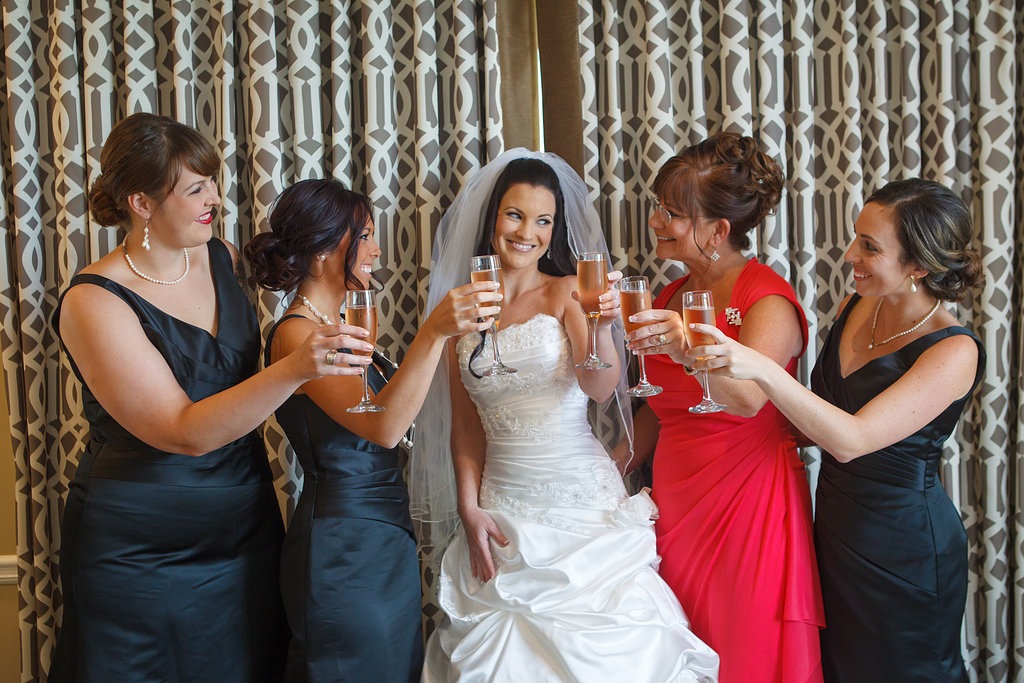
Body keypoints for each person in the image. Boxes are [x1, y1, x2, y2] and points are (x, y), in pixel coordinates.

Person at [49, 113, 372, 682]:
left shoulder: (218, 254)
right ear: (141, 203)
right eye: (196, 188)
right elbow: (184, 430)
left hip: (244, 525)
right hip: (139, 550)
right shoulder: (93, 301)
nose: (216, 199)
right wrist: (296, 368)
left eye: (213, 183)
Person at [413, 149, 719, 682]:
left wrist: (602, 328)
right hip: (503, 508)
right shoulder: (462, 312)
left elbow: (600, 387)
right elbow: (466, 424)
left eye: (543, 220)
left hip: (580, 505)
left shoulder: (566, 291)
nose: (527, 231)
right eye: (515, 215)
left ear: (555, 230)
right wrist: (469, 506)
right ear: (493, 221)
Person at [688, 178, 985, 682]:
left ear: (918, 265)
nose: (849, 255)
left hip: (904, 550)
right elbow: (818, 417)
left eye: (870, 247)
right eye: (855, 237)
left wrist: (758, 366)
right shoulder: (861, 305)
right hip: (835, 529)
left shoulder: (954, 350)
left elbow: (849, 440)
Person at [244, 178, 497, 682]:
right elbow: (383, 426)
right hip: (342, 544)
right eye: (364, 237)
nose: (378, 250)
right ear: (320, 253)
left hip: (382, 534)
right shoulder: (297, 334)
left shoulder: (346, 320)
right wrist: (434, 331)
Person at [624, 131, 824, 682]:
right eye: (658, 208)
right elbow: (660, 406)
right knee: (678, 645)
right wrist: (607, 465)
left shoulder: (767, 298)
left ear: (718, 230)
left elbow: (747, 397)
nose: (657, 221)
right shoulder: (667, 296)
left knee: (742, 646)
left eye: (672, 213)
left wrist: (686, 346)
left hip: (748, 503)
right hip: (674, 498)